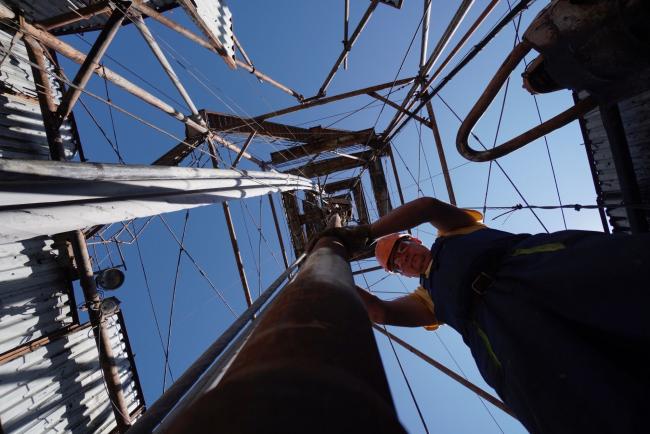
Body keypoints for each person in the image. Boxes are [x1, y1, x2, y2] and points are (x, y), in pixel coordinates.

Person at [314, 196, 650, 434]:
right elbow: (379, 311)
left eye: (403, 249)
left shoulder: (456, 231)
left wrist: (365, 233)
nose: (404, 259)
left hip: (535, 269)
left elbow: (427, 206)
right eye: (396, 263)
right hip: (504, 337)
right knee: (581, 405)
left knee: (623, 282)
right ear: (399, 274)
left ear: (415, 239)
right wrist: (328, 265)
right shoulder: (427, 299)